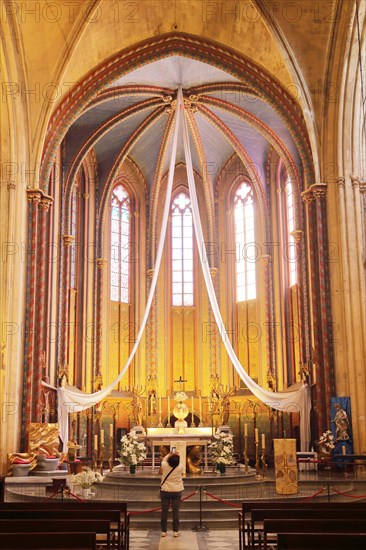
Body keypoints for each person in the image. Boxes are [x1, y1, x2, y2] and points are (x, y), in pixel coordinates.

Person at [160, 451, 184, 538]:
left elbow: (164, 460)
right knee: (176, 511)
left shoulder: (165, 466)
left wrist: (169, 454)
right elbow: (179, 462)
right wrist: (178, 455)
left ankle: (164, 531)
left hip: (165, 490)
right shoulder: (180, 467)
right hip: (177, 490)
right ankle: (175, 531)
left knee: (164, 511)